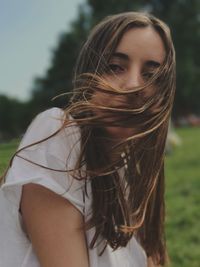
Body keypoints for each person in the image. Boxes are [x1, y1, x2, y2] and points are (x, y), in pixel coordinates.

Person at [0, 11, 176, 267]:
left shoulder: (127, 169)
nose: (133, 85)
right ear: (88, 76)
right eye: (115, 67)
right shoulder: (58, 133)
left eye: (151, 75)